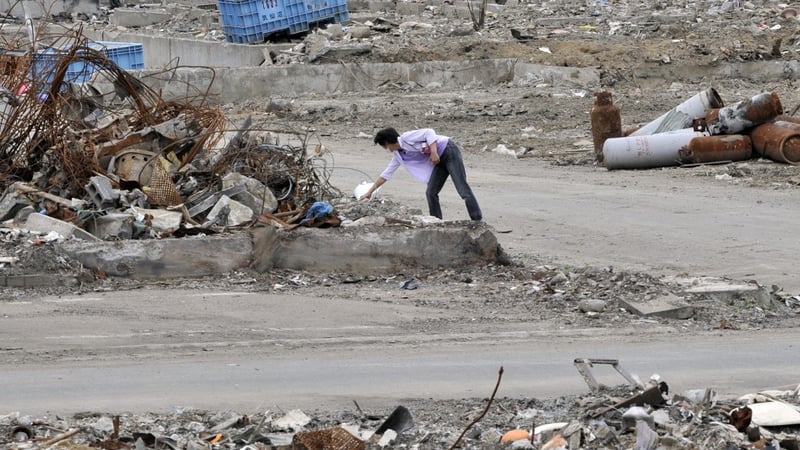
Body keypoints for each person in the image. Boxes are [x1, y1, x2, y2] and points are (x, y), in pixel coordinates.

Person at [359, 127, 482, 221]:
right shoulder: (398, 156)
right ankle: (436, 221)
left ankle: (476, 219)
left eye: (384, 145)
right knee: (431, 192)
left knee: (462, 188)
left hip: (448, 151)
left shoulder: (406, 138)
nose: (386, 149)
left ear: (388, 142)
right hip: (437, 162)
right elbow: (386, 174)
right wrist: (369, 193)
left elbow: (429, 132)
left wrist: (433, 151)